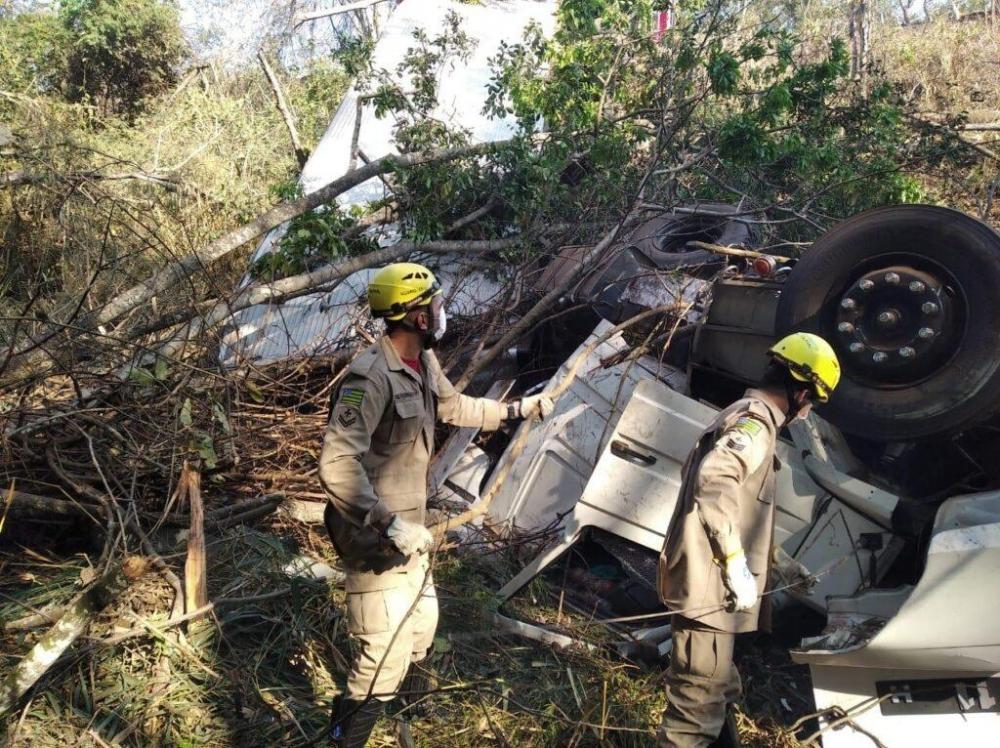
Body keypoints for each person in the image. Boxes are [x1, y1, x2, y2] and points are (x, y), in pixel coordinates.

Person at [318, 262, 554, 747]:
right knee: (380, 657)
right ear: (417, 317)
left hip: (411, 538)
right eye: (436, 304)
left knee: (421, 630)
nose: (442, 311)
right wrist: (387, 523)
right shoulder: (370, 377)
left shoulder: (421, 363)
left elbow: (454, 407)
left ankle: (404, 724)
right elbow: (337, 464)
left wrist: (515, 410)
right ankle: (344, 735)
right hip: (376, 540)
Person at [656, 332, 841, 748]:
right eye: (813, 401)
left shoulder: (748, 416)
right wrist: (735, 565)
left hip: (711, 591)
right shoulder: (755, 424)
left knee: (719, 692)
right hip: (709, 594)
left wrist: (777, 562)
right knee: (695, 713)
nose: (809, 412)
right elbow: (714, 482)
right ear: (800, 390)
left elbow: (739, 511)